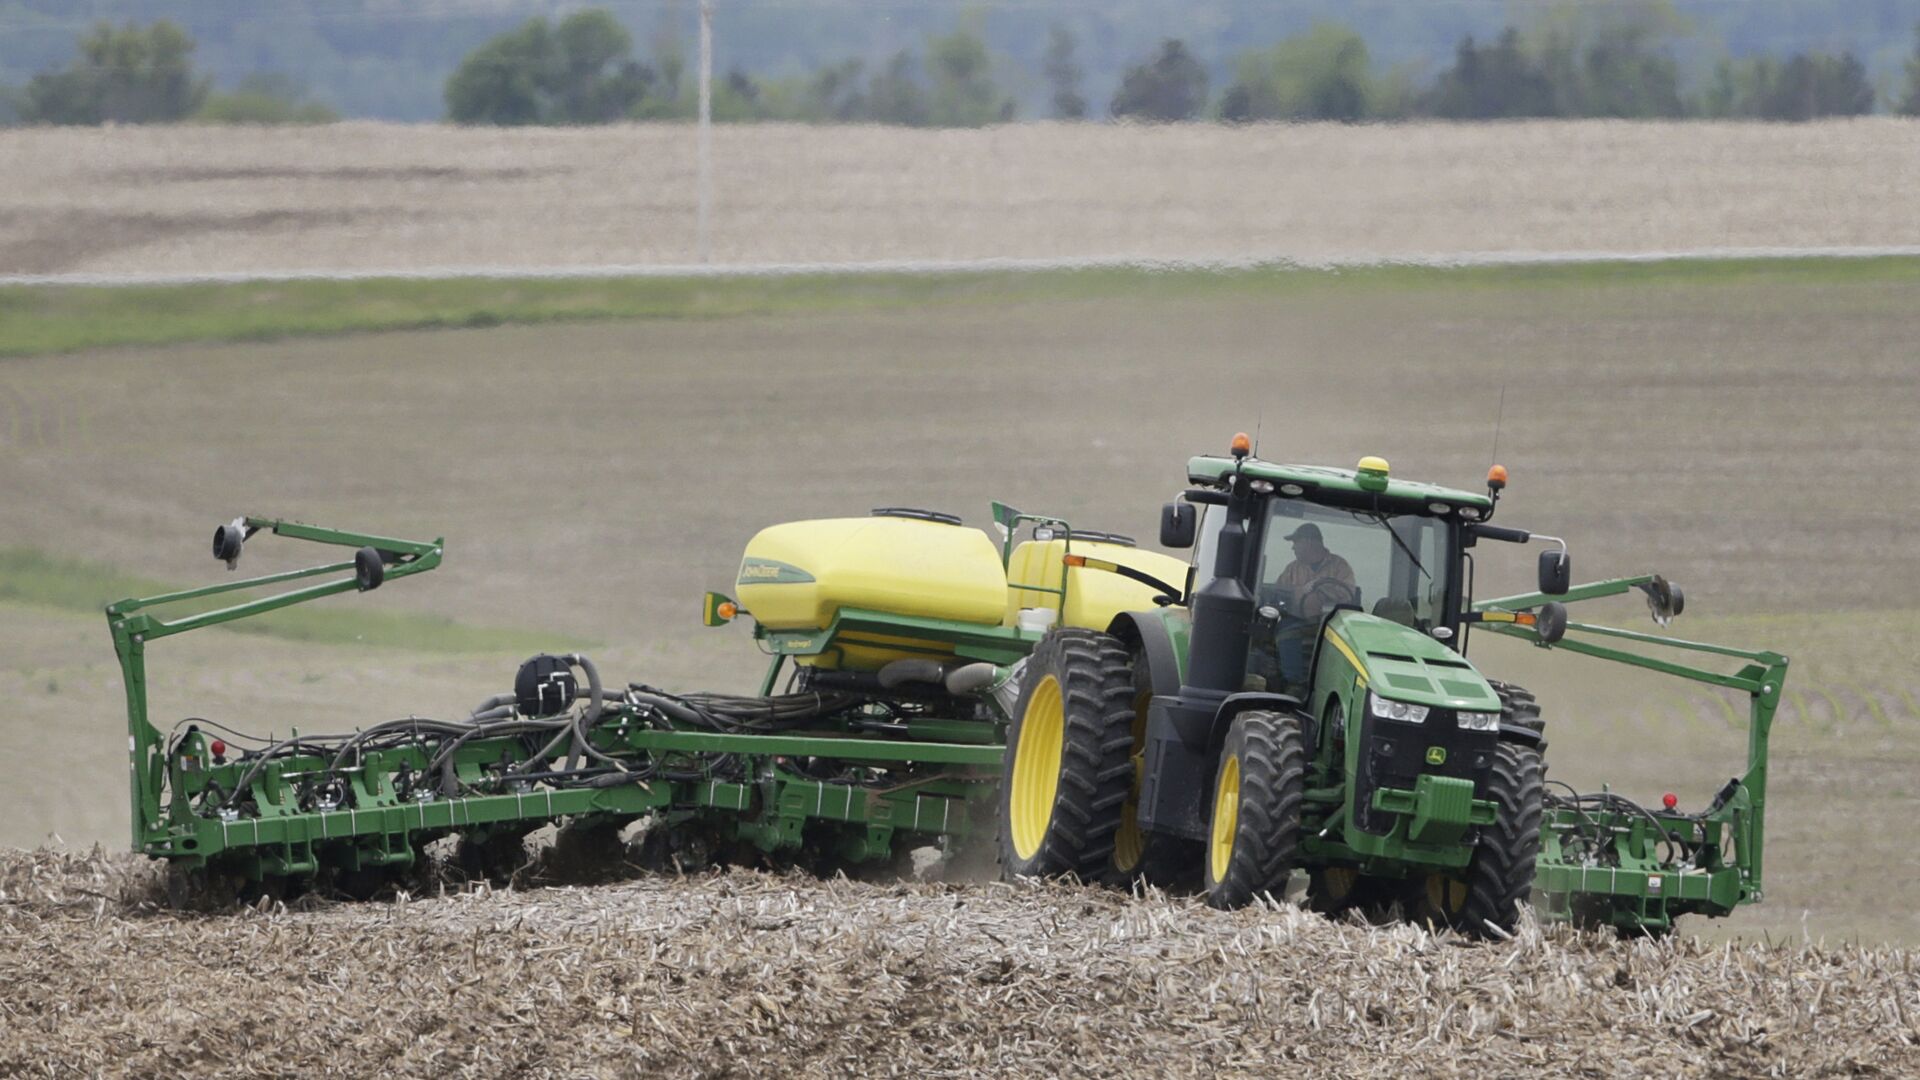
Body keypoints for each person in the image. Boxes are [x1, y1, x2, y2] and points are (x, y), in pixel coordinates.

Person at [1268, 523, 1358, 692]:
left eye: (1296, 542)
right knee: (1284, 632)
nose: (1293, 548)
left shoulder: (1340, 566)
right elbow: (1278, 593)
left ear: (1309, 542)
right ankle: (1295, 684)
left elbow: (1347, 594)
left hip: (1332, 625)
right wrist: (1300, 591)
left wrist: (1320, 586)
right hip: (1299, 622)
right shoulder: (1292, 569)